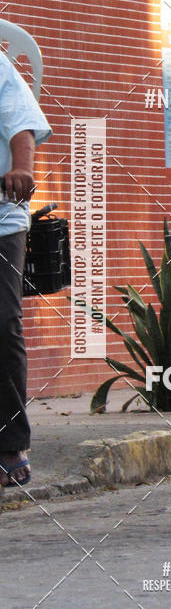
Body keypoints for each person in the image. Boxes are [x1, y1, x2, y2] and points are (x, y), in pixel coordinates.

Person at [0, 49, 51, 488]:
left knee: (3, 322)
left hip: (2, 218)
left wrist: (21, 167)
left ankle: (10, 443)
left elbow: (21, 124)